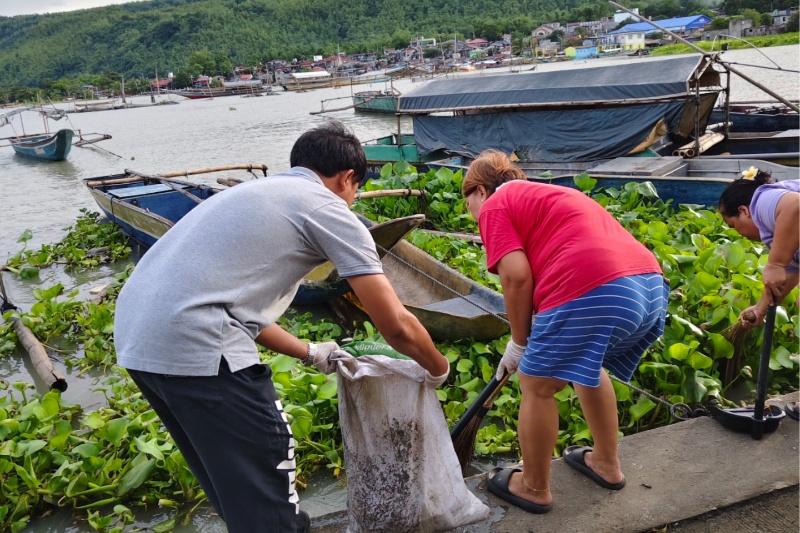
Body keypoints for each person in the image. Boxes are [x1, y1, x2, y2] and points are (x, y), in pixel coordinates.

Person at [113, 121, 450, 533]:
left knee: (238, 483)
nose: (354, 197)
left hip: (139, 340)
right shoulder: (327, 208)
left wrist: (309, 351)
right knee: (267, 459)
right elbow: (395, 325)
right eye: (357, 188)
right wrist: (437, 368)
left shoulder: (254, 194)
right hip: (195, 340)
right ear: (347, 178)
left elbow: (231, 310)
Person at [461, 150, 668, 514]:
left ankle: (533, 487)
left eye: (467, 203)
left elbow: (516, 277)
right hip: (648, 288)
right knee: (588, 369)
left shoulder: (495, 204)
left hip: (594, 290)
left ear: (478, 189)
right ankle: (606, 463)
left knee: (536, 386)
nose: (471, 214)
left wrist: (519, 343)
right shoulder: (549, 195)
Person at [718, 169, 799, 329]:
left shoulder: (761, 200)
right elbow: (791, 272)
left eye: (734, 226)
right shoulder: (779, 232)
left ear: (744, 211)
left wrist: (775, 264)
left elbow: (795, 204)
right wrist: (759, 310)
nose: (739, 234)